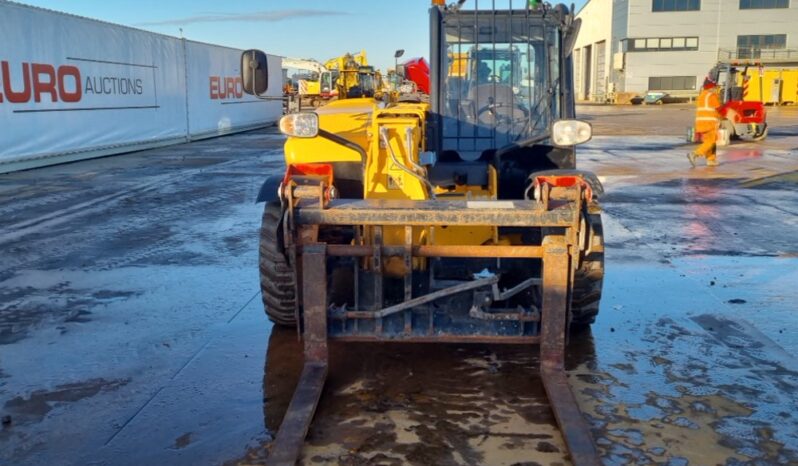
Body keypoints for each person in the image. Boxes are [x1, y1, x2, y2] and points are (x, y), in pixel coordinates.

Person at [688, 77, 722, 167]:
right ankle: (695, 154)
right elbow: (719, 109)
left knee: (709, 142)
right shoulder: (711, 95)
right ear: (711, 87)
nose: (716, 89)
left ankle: (711, 160)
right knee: (711, 141)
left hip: (701, 123)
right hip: (709, 123)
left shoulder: (702, 95)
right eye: (715, 87)